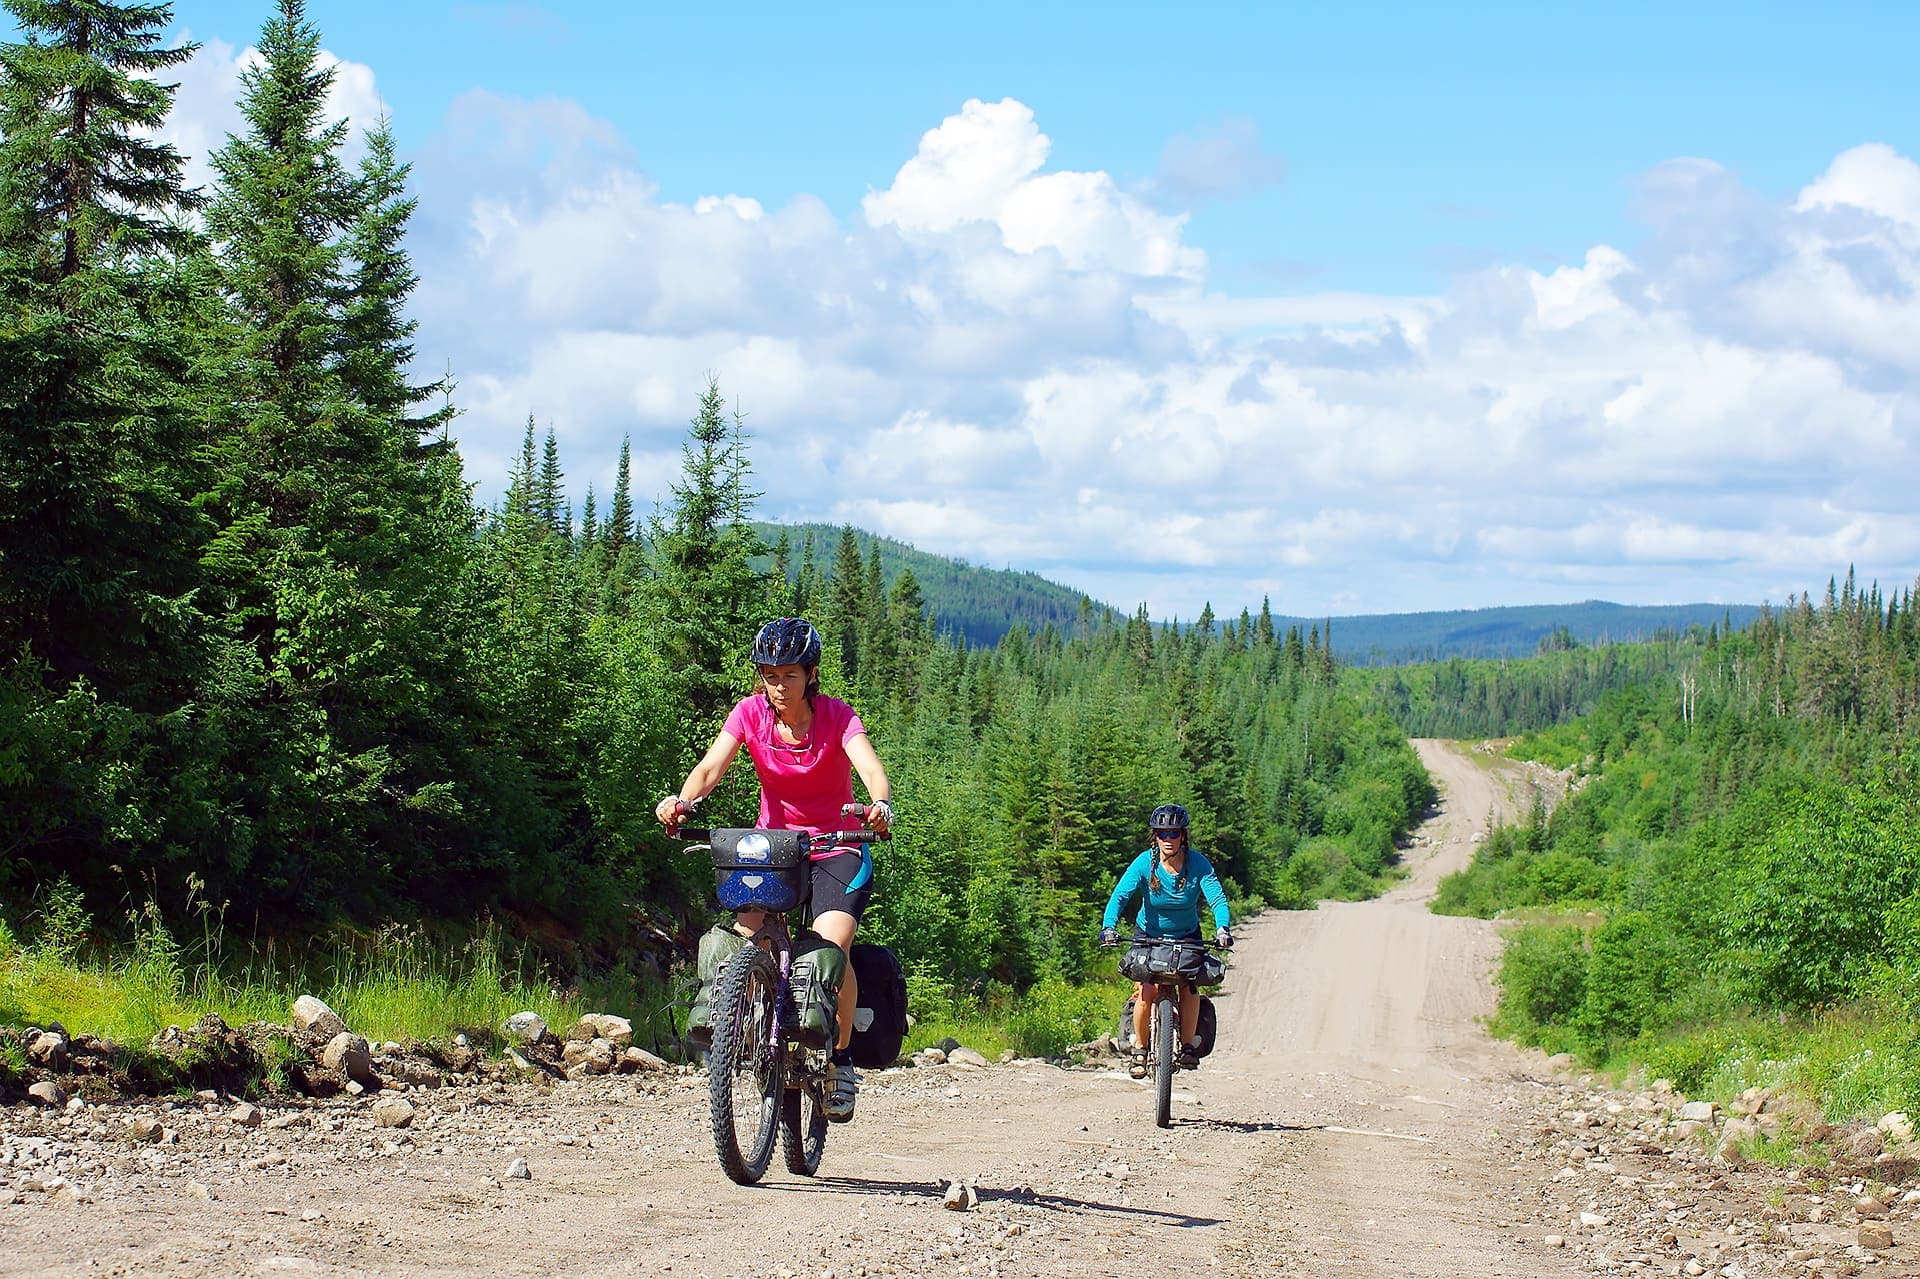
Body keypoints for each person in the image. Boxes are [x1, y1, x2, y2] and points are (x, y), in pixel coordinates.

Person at [656, 617, 893, 1121]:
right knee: (748, 936)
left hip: (837, 847)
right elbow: (710, 768)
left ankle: (840, 1062)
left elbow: (871, 769)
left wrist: (878, 805)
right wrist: (681, 801)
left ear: (810, 673)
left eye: (788, 674)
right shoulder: (748, 714)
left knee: (830, 950)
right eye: (769, 674)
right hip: (775, 849)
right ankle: (750, 1018)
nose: (777, 685)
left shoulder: (837, 717)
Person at [1099, 803, 1232, 1078]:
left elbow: (1216, 897)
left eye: (1173, 833)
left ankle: (1187, 1047)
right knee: (1147, 991)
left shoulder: (1198, 864)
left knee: (1190, 988)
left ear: (1183, 835)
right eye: (1162, 833)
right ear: (1155, 836)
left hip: (1187, 937)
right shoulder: (1143, 864)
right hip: (1148, 935)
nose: (1168, 839)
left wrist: (1222, 929)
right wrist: (1108, 927)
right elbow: (1120, 896)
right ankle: (1140, 1049)